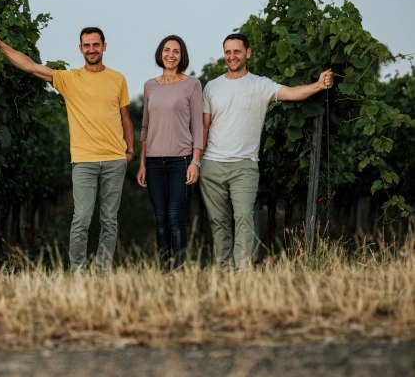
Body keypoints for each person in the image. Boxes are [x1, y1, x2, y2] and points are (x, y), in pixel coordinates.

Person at [0, 27, 135, 275]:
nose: (91, 49)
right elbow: (31, 67)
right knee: (81, 219)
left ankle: (103, 273)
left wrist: (130, 152)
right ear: (80, 49)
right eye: (86, 45)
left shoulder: (118, 79)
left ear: (104, 46)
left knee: (109, 221)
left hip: (114, 159)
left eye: (95, 44)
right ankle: (77, 273)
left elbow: (125, 118)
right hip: (84, 160)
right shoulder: (70, 79)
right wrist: (1, 46)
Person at [201, 33, 333, 269]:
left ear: (248, 53)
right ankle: (222, 272)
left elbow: (292, 93)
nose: (232, 56)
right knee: (218, 222)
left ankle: (243, 273)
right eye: (228, 52)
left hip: (244, 166)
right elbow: (204, 126)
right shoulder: (212, 87)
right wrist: (197, 161)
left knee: (243, 218)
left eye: (237, 52)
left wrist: (318, 85)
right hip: (211, 165)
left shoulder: (260, 85)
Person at [136, 35, 203, 270]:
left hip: (181, 160)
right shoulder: (149, 86)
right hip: (153, 162)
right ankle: (165, 268)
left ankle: (179, 268)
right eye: (167, 50)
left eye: (176, 51)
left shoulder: (192, 84)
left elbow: (198, 126)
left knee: (175, 217)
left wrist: (195, 162)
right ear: (160, 53)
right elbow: (145, 126)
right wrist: (142, 164)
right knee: (161, 219)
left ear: (182, 56)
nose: (171, 55)